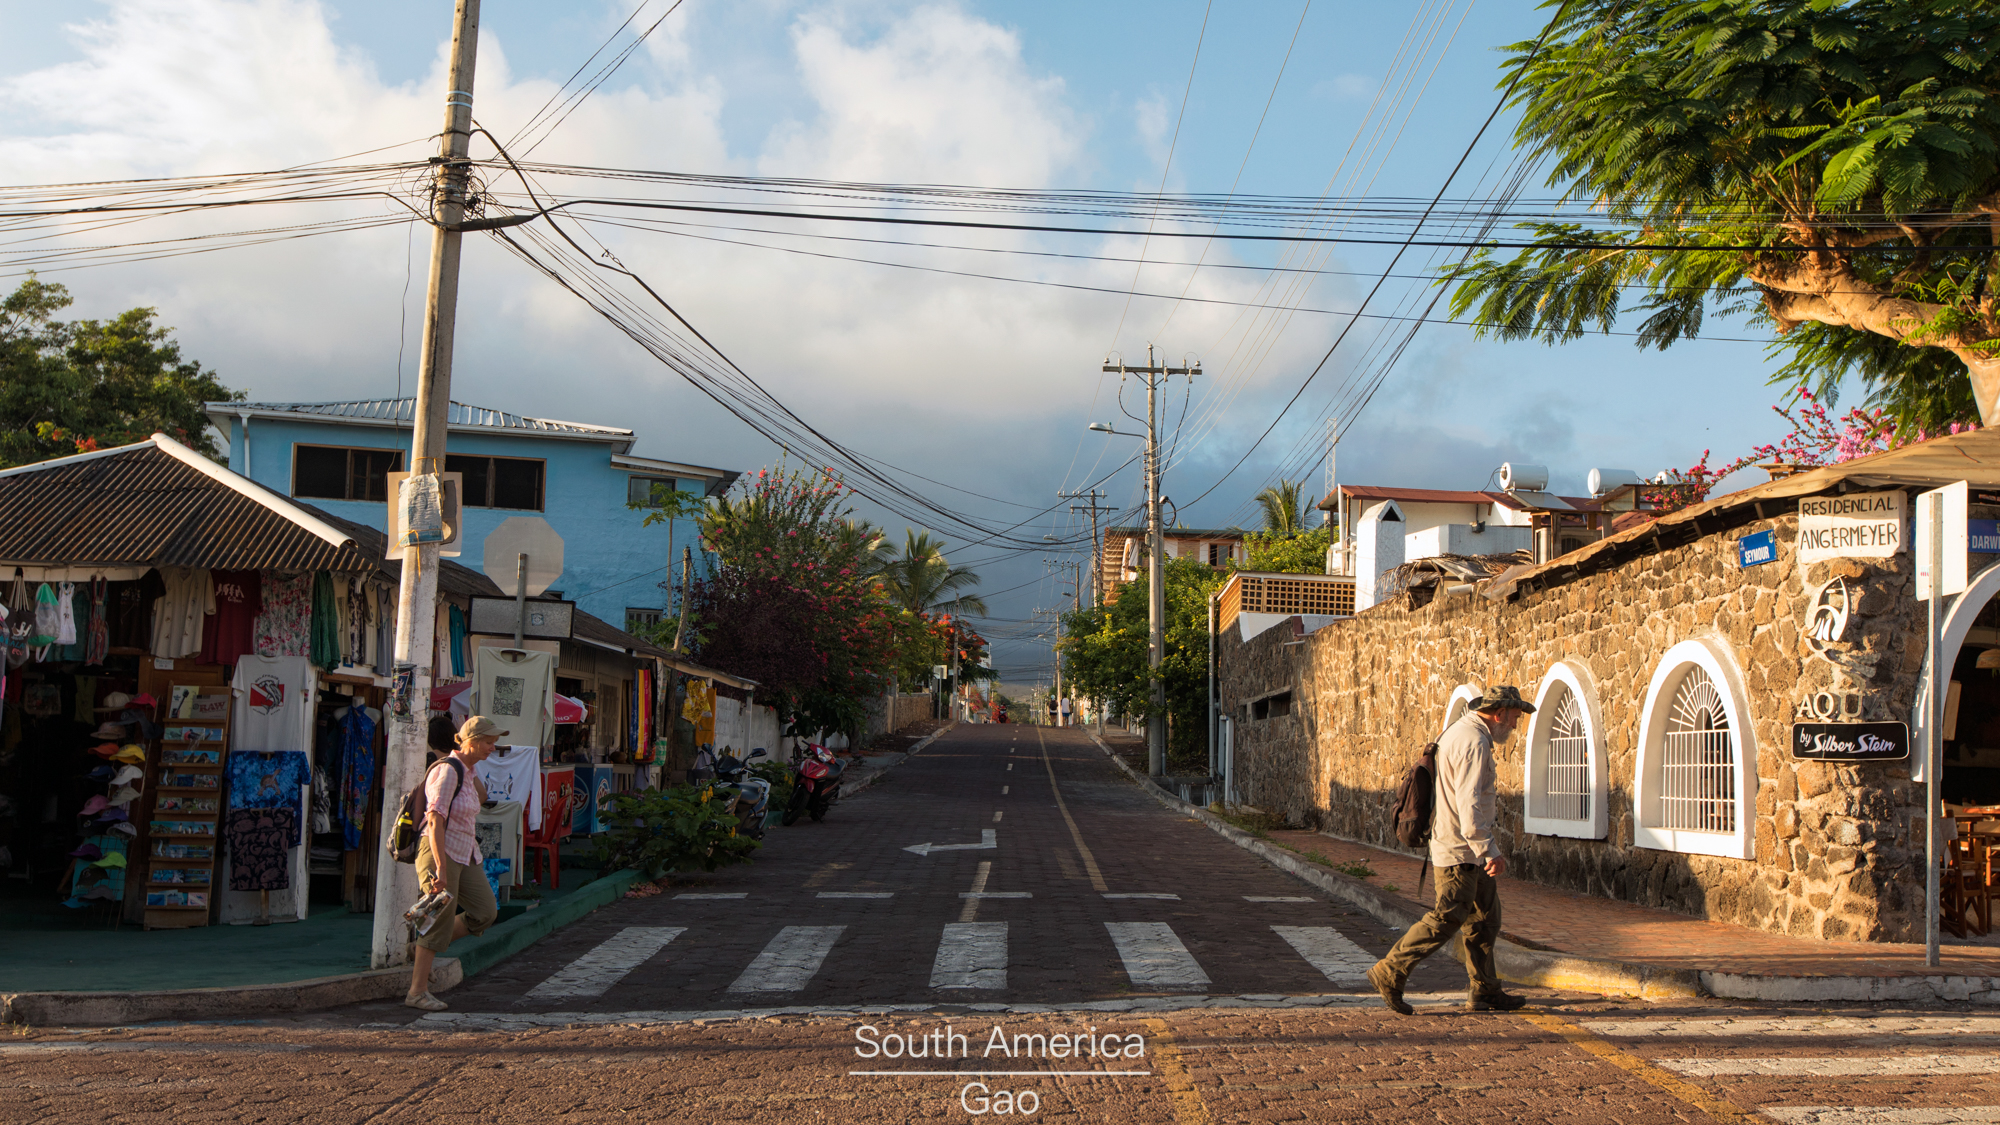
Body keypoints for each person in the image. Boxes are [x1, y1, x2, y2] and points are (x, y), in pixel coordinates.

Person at [1366, 685, 1535, 1015]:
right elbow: (1469, 804)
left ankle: (1485, 990)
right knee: (1446, 918)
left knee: (1486, 919)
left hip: (1464, 847)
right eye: (1515, 717)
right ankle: (1389, 971)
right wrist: (1490, 851)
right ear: (1498, 714)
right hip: (1461, 849)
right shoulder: (1474, 742)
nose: (1516, 724)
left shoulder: (1460, 731)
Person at [405, 716, 502, 1011]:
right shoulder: (447, 771)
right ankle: (417, 992)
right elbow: (434, 820)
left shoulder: (466, 771)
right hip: (440, 851)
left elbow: (481, 798)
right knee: (438, 916)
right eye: (488, 742)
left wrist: (470, 773)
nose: (492, 748)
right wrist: (441, 868)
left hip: (464, 851)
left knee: (485, 912)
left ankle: (419, 950)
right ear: (471, 742)